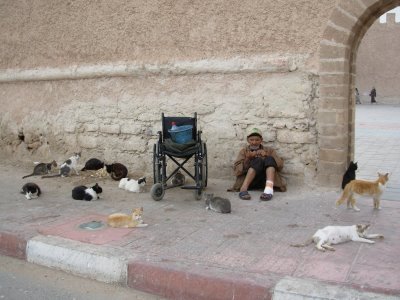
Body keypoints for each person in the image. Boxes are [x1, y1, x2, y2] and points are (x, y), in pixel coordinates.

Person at [228, 127, 286, 201]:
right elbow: (237, 171)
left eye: (257, 140)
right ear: (247, 140)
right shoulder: (244, 151)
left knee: (270, 158)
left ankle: (268, 189)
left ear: (261, 140)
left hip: (264, 181)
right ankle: (243, 189)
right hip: (250, 183)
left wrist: (266, 155)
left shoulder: (269, 150)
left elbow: (280, 165)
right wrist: (248, 159)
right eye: (251, 140)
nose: (254, 142)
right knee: (258, 161)